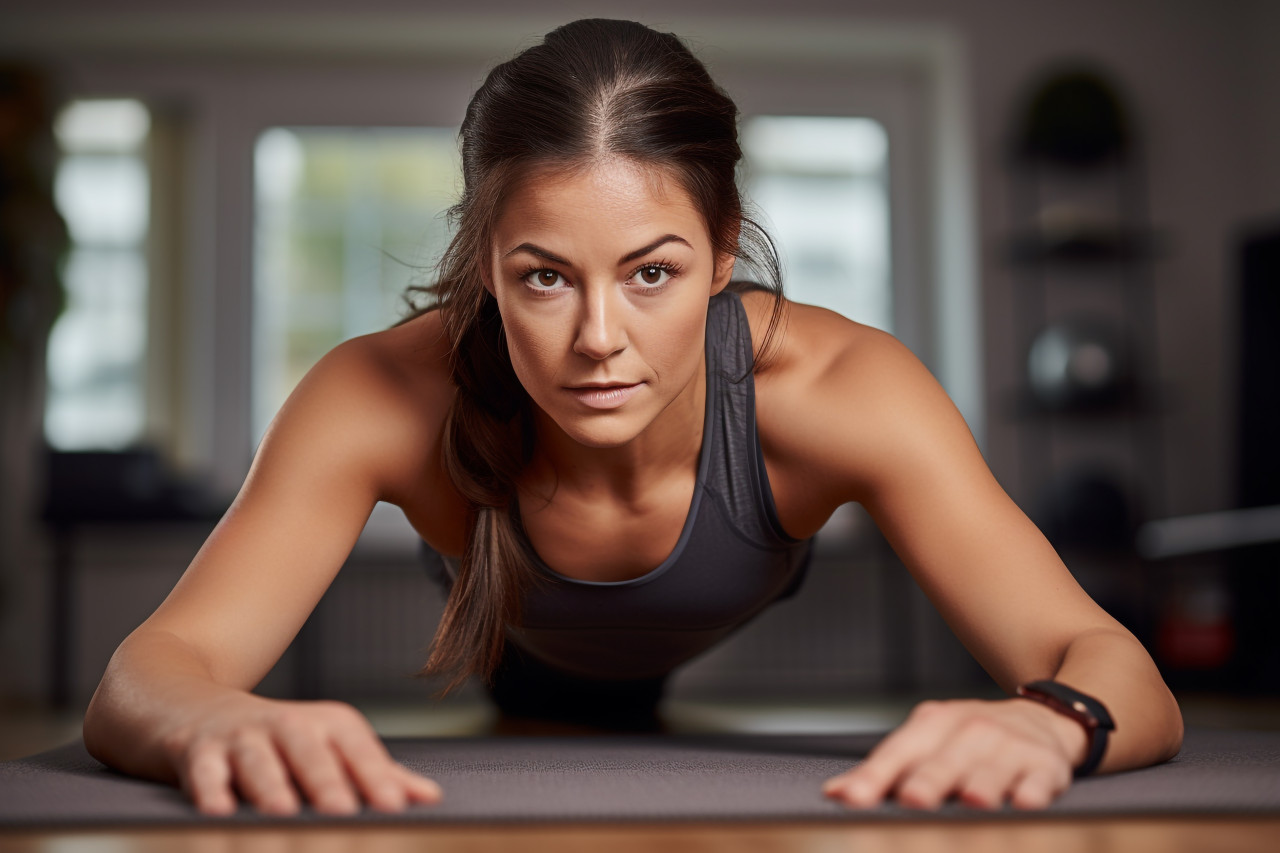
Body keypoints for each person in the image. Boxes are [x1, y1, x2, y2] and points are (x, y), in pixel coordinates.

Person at [81, 18, 1183, 817]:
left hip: (720, 595)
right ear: (484, 267)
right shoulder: (377, 395)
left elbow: (1114, 666)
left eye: (649, 273)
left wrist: (1047, 717)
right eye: (544, 277)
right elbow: (150, 669)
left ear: (718, 251)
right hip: (511, 645)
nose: (597, 337)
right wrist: (210, 717)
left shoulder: (842, 388)